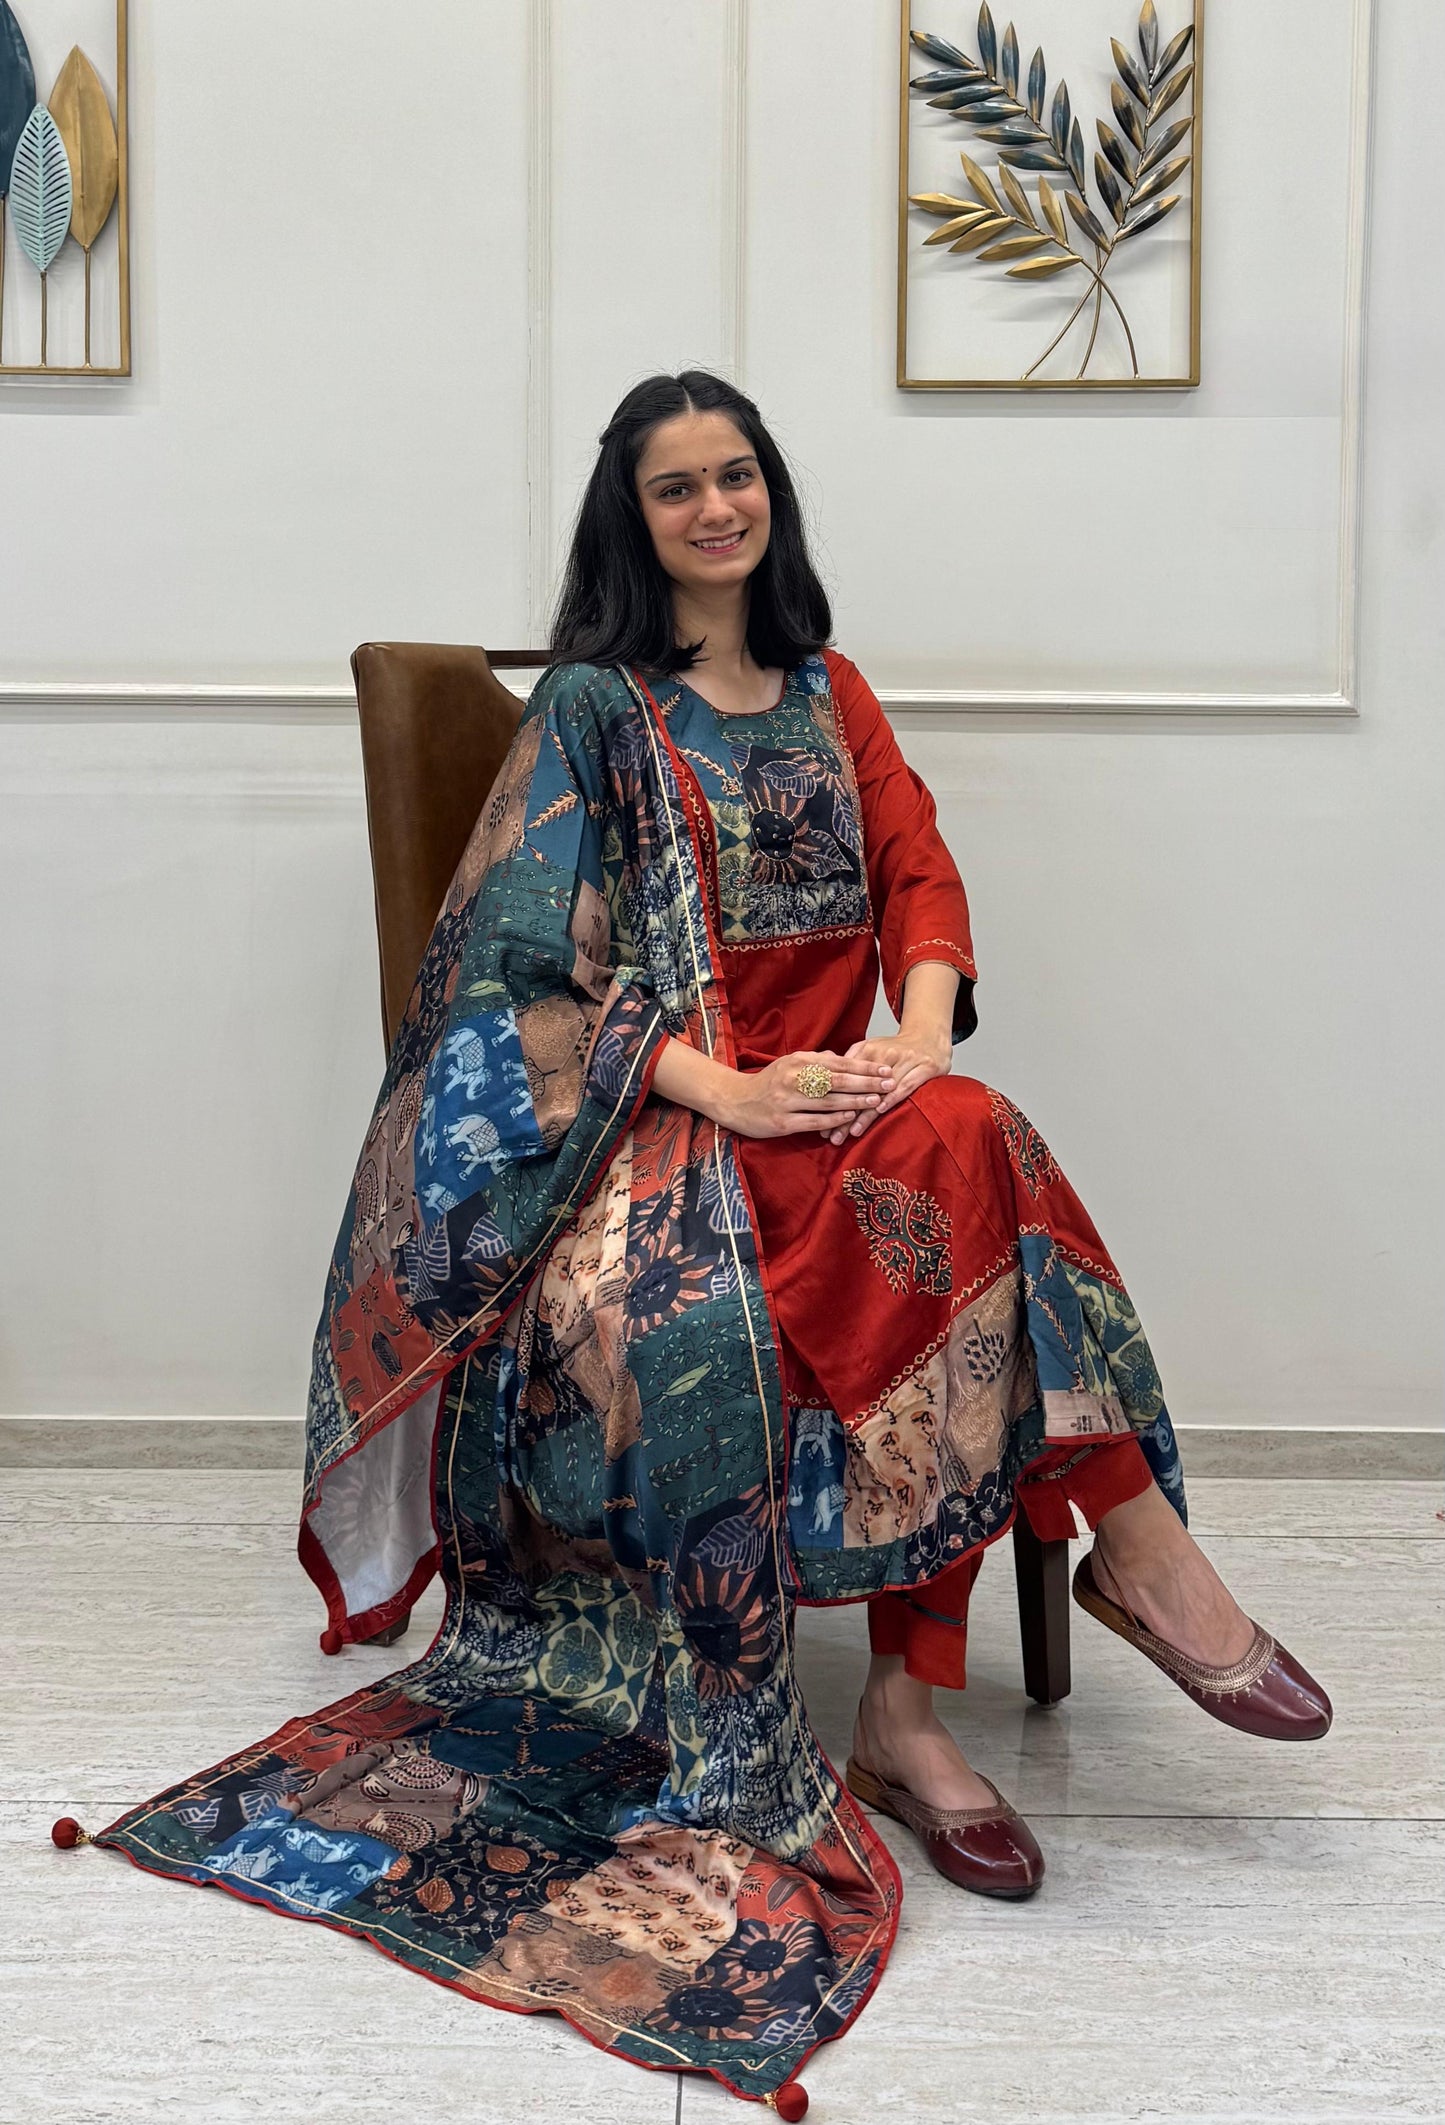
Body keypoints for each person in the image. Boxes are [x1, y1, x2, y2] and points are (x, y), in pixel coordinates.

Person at [84, 372, 1330, 2115]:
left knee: (963, 1134)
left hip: (853, 1105)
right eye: (677, 487)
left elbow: (918, 871)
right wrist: (730, 1088)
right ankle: (1057, 1607)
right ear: (635, 516)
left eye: (736, 474)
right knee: (963, 1196)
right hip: (670, 1132)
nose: (716, 507)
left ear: (771, 492)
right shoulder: (596, 709)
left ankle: (929, 1700)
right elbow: (516, 985)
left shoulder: (830, 690)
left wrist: (915, 1038)